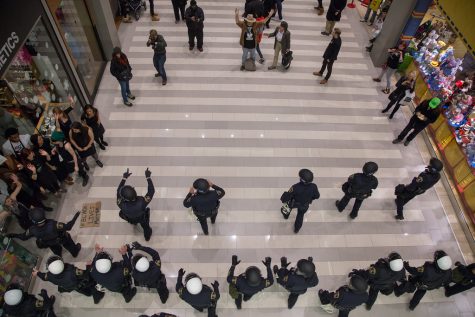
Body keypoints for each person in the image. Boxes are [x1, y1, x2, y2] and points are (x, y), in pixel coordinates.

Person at [8, 208, 81, 257]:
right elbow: (68, 227)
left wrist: (13, 235)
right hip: (62, 238)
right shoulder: (54, 224)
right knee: (68, 243)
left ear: (33, 221)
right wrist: (75, 216)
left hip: (50, 243)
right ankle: (75, 252)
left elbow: (23, 237)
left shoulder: (31, 230)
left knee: (56, 250)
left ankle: (59, 255)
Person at [33, 255, 105, 304]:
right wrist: (88, 265)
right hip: (80, 282)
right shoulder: (72, 271)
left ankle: (89, 294)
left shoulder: (49, 276)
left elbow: (44, 277)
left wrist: (38, 273)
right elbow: (86, 274)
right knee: (90, 282)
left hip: (71, 287)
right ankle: (96, 294)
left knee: (83, 291)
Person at [117, 168, 155, 241]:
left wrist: (124, 178)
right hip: (142, 218)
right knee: (146, 227)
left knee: (122, 214)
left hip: (129, 218)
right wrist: (148, 177)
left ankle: (134, 223)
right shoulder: (142, 202)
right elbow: (151, 191)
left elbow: (118, 191)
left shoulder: (120, 203)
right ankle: (147, 236)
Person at [280, 169, 320, 233]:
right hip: (305, 205)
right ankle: (296, 229)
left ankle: (286, 216)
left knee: (287, 207)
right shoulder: (314, 186)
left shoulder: (295, 187)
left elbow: (288, 195)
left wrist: (284, 199)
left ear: (302, 179)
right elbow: (317, 196)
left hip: (294, 203)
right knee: (300, 216)